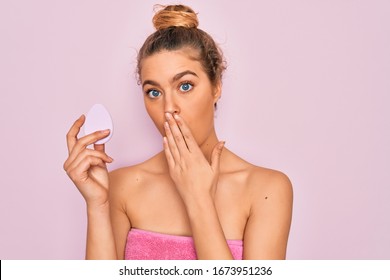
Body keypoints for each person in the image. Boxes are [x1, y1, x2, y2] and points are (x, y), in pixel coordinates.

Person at [63, 4, 293, 260]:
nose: (169, 109)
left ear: (216, 86)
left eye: (185, 86)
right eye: (154, 92)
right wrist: (98, 205)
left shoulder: (267, 189)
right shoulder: (121, 187)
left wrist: (198, 198)